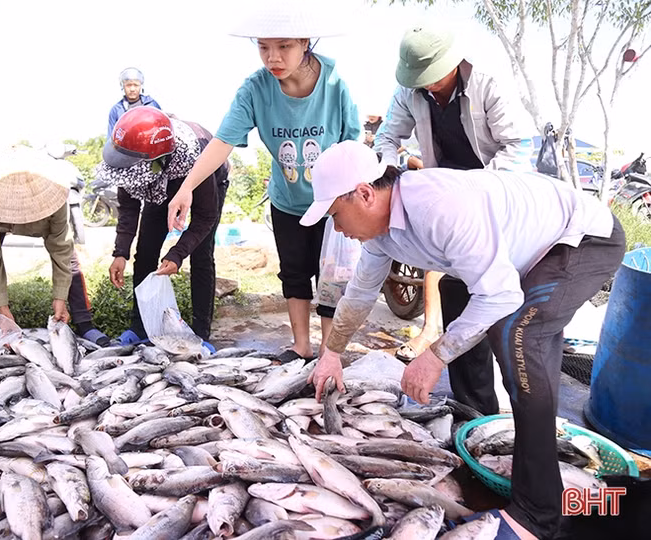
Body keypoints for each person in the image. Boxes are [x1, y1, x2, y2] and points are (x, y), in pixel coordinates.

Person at [303, 140, 624, 540]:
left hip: (581, 239)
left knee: (519, 335)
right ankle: (480, 422)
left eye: (335, 215)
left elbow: (501, 296)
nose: (337, 229)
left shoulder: (438, 206)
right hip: (525, 253)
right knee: (458, 296)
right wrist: (331, 353)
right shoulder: (379, 233)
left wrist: (434, 356)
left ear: (365, 194)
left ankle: (539, 513)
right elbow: (360, 293)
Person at [167, 0, 361, 362]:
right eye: (263, 47)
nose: (273, 57)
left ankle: (329, 351)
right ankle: (301, 345)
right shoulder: (255, 89)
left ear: (305, 43)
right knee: (294, 273)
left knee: (332, 278)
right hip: (287, 199)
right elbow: (222, 141)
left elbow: (353, 142)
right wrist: (186, 187)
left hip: (333, 201)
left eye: (284, 46)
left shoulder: (334, 84)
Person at [374, 23, 529, 415]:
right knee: (459, 307)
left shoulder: (488, 84)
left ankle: (526, 420)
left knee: (507, 317)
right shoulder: (410, 93)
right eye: (420, 78)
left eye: (432, 75)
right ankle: (473, 413)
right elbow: (387, 139)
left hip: (498, 205)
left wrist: (479, 190)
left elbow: (518, 146)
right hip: (448, 209)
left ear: (453, 62)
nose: (427, 84)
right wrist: (386, 174)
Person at [99, 107, 228, 349]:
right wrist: (120, 252)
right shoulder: (132, 160)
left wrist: (177, 254)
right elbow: (128, 208)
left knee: (201, 255)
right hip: (158, 182)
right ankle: (140, 327)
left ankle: (201, 333)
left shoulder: (195, 158)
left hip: (205, 181)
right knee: (146, 252)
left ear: (154, 160)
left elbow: (205, 217)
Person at [0, 147, 110, 346]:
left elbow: (60, 250)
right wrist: (3, 309)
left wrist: (60, 298)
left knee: (69, 259)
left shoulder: (54, 199)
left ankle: (85, 324)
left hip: (44, 219)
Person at [106, 67, 161, 140]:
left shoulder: (151, 105)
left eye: (136, 85)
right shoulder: (116, 110)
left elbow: (162, 128)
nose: (132, 89)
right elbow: (111, 139)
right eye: (128, 85)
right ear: (123, 86)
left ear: (141, 86)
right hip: (126, 146)